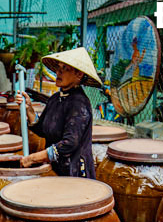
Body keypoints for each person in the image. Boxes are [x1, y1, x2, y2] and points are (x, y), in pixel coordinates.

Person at [15, 47, 102, 177]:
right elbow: (43, 130)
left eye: (65, 69)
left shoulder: (79, 103)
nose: (58, 72)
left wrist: (33, 158)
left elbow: (69, 143)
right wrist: (29, 109)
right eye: (58, 68)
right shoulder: (55, 99)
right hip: (55, 170)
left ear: (79, 75)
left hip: (75, 174)